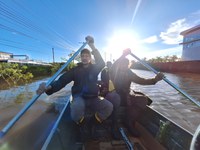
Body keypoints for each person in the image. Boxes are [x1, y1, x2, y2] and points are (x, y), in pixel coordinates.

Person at [36, 36, 113, 139]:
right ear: (81, 58)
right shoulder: (75, 70)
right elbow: (61, 81)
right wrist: (49, 87)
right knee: (76, 108)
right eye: (83, 56)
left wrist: (92, 45)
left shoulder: (95, 68)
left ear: (90, 58)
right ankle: (82, 124)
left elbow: (101, 63)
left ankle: (93, 122)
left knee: (109, 106)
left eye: (87, 56)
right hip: (79, 97)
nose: (85, 57)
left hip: (93, 98)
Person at [110, 48, 164, 137]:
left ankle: (128, 121)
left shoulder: (129, 73)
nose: (124, 65)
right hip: (115, 94)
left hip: (126, 95)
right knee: (116, 99)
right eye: (122, 63)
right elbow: (113, 66)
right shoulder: (114, 70)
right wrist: (123, 55)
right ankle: (114, 125)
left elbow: (142, 81)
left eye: (126, 64)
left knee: (143, 99)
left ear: (128, 65)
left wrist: (155, 79)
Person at [100, 61, 121, 140]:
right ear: (106, 65)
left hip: (113, 92)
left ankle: (114, 125)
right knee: (110, 99)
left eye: (110, 65)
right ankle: (105, 121)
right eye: (108, 65)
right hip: (105, 91)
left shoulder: (116, 72)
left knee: (115, 98)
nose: (110, 66)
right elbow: (102, 82)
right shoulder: (104, 71)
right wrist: (104, 90)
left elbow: (117, 84)